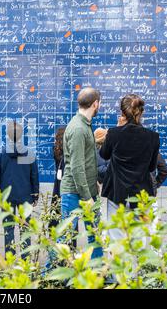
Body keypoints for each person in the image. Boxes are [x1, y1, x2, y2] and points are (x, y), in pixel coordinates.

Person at [100, 94, 160, 240]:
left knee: (116, 239)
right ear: (141, 112)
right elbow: (152, 167)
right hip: (141, 194)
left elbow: (104, 154)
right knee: (139, 241)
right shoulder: (153, 136)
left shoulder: (114, 133)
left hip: (116, 192)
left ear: (122, 113)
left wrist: (117, 130)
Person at [60, 87, 103, 259]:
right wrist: (88, 197)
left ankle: (100, 274)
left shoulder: (84, 126)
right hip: (75, 193)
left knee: (96, 235)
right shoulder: (78, 129)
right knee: (65, 237)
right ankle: (47, 276)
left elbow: (82, 158)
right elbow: (77, 167)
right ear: (95, 104)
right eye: (99, 103)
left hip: (85, 191)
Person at [0, 121, 39, 259]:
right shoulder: (29, 153)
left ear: (8, 135)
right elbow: (34, 176)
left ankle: (10, 259)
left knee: (8, 228)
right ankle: (25, 258)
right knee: (25, 227)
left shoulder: (1, 154)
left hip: (7, 197)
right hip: (25, 196)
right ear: (22, 135)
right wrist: (35, 195)